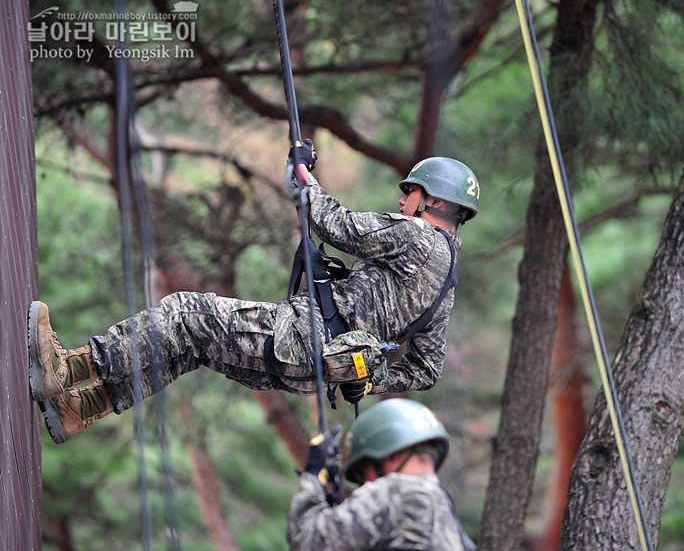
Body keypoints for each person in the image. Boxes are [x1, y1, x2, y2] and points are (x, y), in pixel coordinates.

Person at [28, 156, 480, 444]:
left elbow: (333, 223)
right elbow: (426, 370)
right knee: (192, 347)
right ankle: (81, 408)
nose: (402, 199)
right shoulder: (446, 286)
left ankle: (66, 370)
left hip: (303, 338)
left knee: (187, 313)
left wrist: (304, 177)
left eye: (411, 191)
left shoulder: (416, 237)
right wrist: (367, 377)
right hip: (312, 374)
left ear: (434, 201)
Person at [287, 398, 475, 551]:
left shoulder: (397, 492)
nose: (365, 484)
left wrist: (313, 476)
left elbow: (309, 548)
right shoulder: (443, 510)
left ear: (392, 455)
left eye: (363, 471)